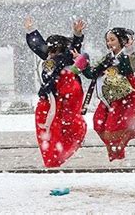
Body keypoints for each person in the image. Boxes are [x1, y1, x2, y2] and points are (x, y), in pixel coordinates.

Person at [24, 16, 88, 168]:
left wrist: (77, 35)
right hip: (48, 101)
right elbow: (37, 45)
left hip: (63, 101)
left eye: (55, 50)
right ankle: (53, 159)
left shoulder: (65, 59)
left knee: (65, 129)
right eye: (50, 49)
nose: (52, 53)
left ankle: (58, 156)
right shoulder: (48, 58)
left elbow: (74, 50)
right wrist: (31, 30)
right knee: (48, 134)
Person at [77, 27, 135, 161]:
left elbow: (130, 69)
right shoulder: (107, 58)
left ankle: (117, 154)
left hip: (125, 96)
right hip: (108, 96)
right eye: (107, 40)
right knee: (98, 122)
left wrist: (129, 50)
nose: (109, 43)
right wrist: (82, 62)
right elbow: (92, 74)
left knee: (113, 127)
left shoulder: (126, 54)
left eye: (112, 39)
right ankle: (134, 130)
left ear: (121, 41)